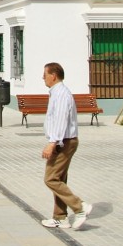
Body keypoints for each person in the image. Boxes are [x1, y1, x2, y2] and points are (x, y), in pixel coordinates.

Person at [40, 62, 92, 230]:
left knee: (50, 179)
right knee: (60, 179)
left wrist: (52, 143)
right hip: (63, 140)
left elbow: (61, 120)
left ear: (53, 75)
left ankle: (80, 206)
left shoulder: (61, 93)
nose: (43, 78)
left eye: (45, 74)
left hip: (64, 141)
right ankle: (60, 217)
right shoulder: (56, 92)